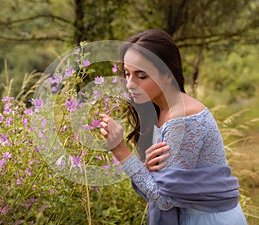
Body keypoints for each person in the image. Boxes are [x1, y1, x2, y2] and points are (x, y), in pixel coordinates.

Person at [99, 29, 247, 225]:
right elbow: (161, 189)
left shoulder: (184, 119)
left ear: (168, 75)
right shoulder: (162, 111)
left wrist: (120, 150)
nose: (129, 84)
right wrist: (145, 171)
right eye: (127, 74)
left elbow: (164, 200)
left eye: (141, 76)